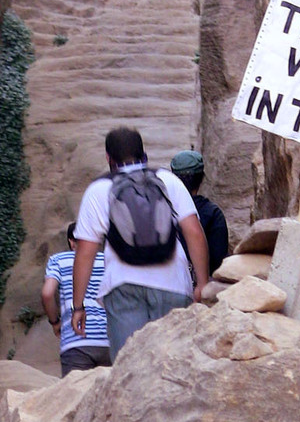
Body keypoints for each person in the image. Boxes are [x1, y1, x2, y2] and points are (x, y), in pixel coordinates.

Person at [71, 127, 209, 360]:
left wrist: (78, 306)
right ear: (143, 153)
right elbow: (194, 232)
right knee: (173, 364)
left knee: (130, 368)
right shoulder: (168, 180)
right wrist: (202, 284)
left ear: (108, 158)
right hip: (173, 285)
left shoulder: (99, 190)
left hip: (124, 288)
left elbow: (85, 252)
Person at [41, 222, 112, 376]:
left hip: (76, 341)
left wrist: (55, 322)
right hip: (109, 341)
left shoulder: (58, 260)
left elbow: (47, 294)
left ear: (71, 242)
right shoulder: (107, 260)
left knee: (75, 397)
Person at [170, 150, 229, 274]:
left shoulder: (163, 209)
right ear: (202, 178)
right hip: (200, 285)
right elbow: (219, 260)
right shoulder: (213, 213)